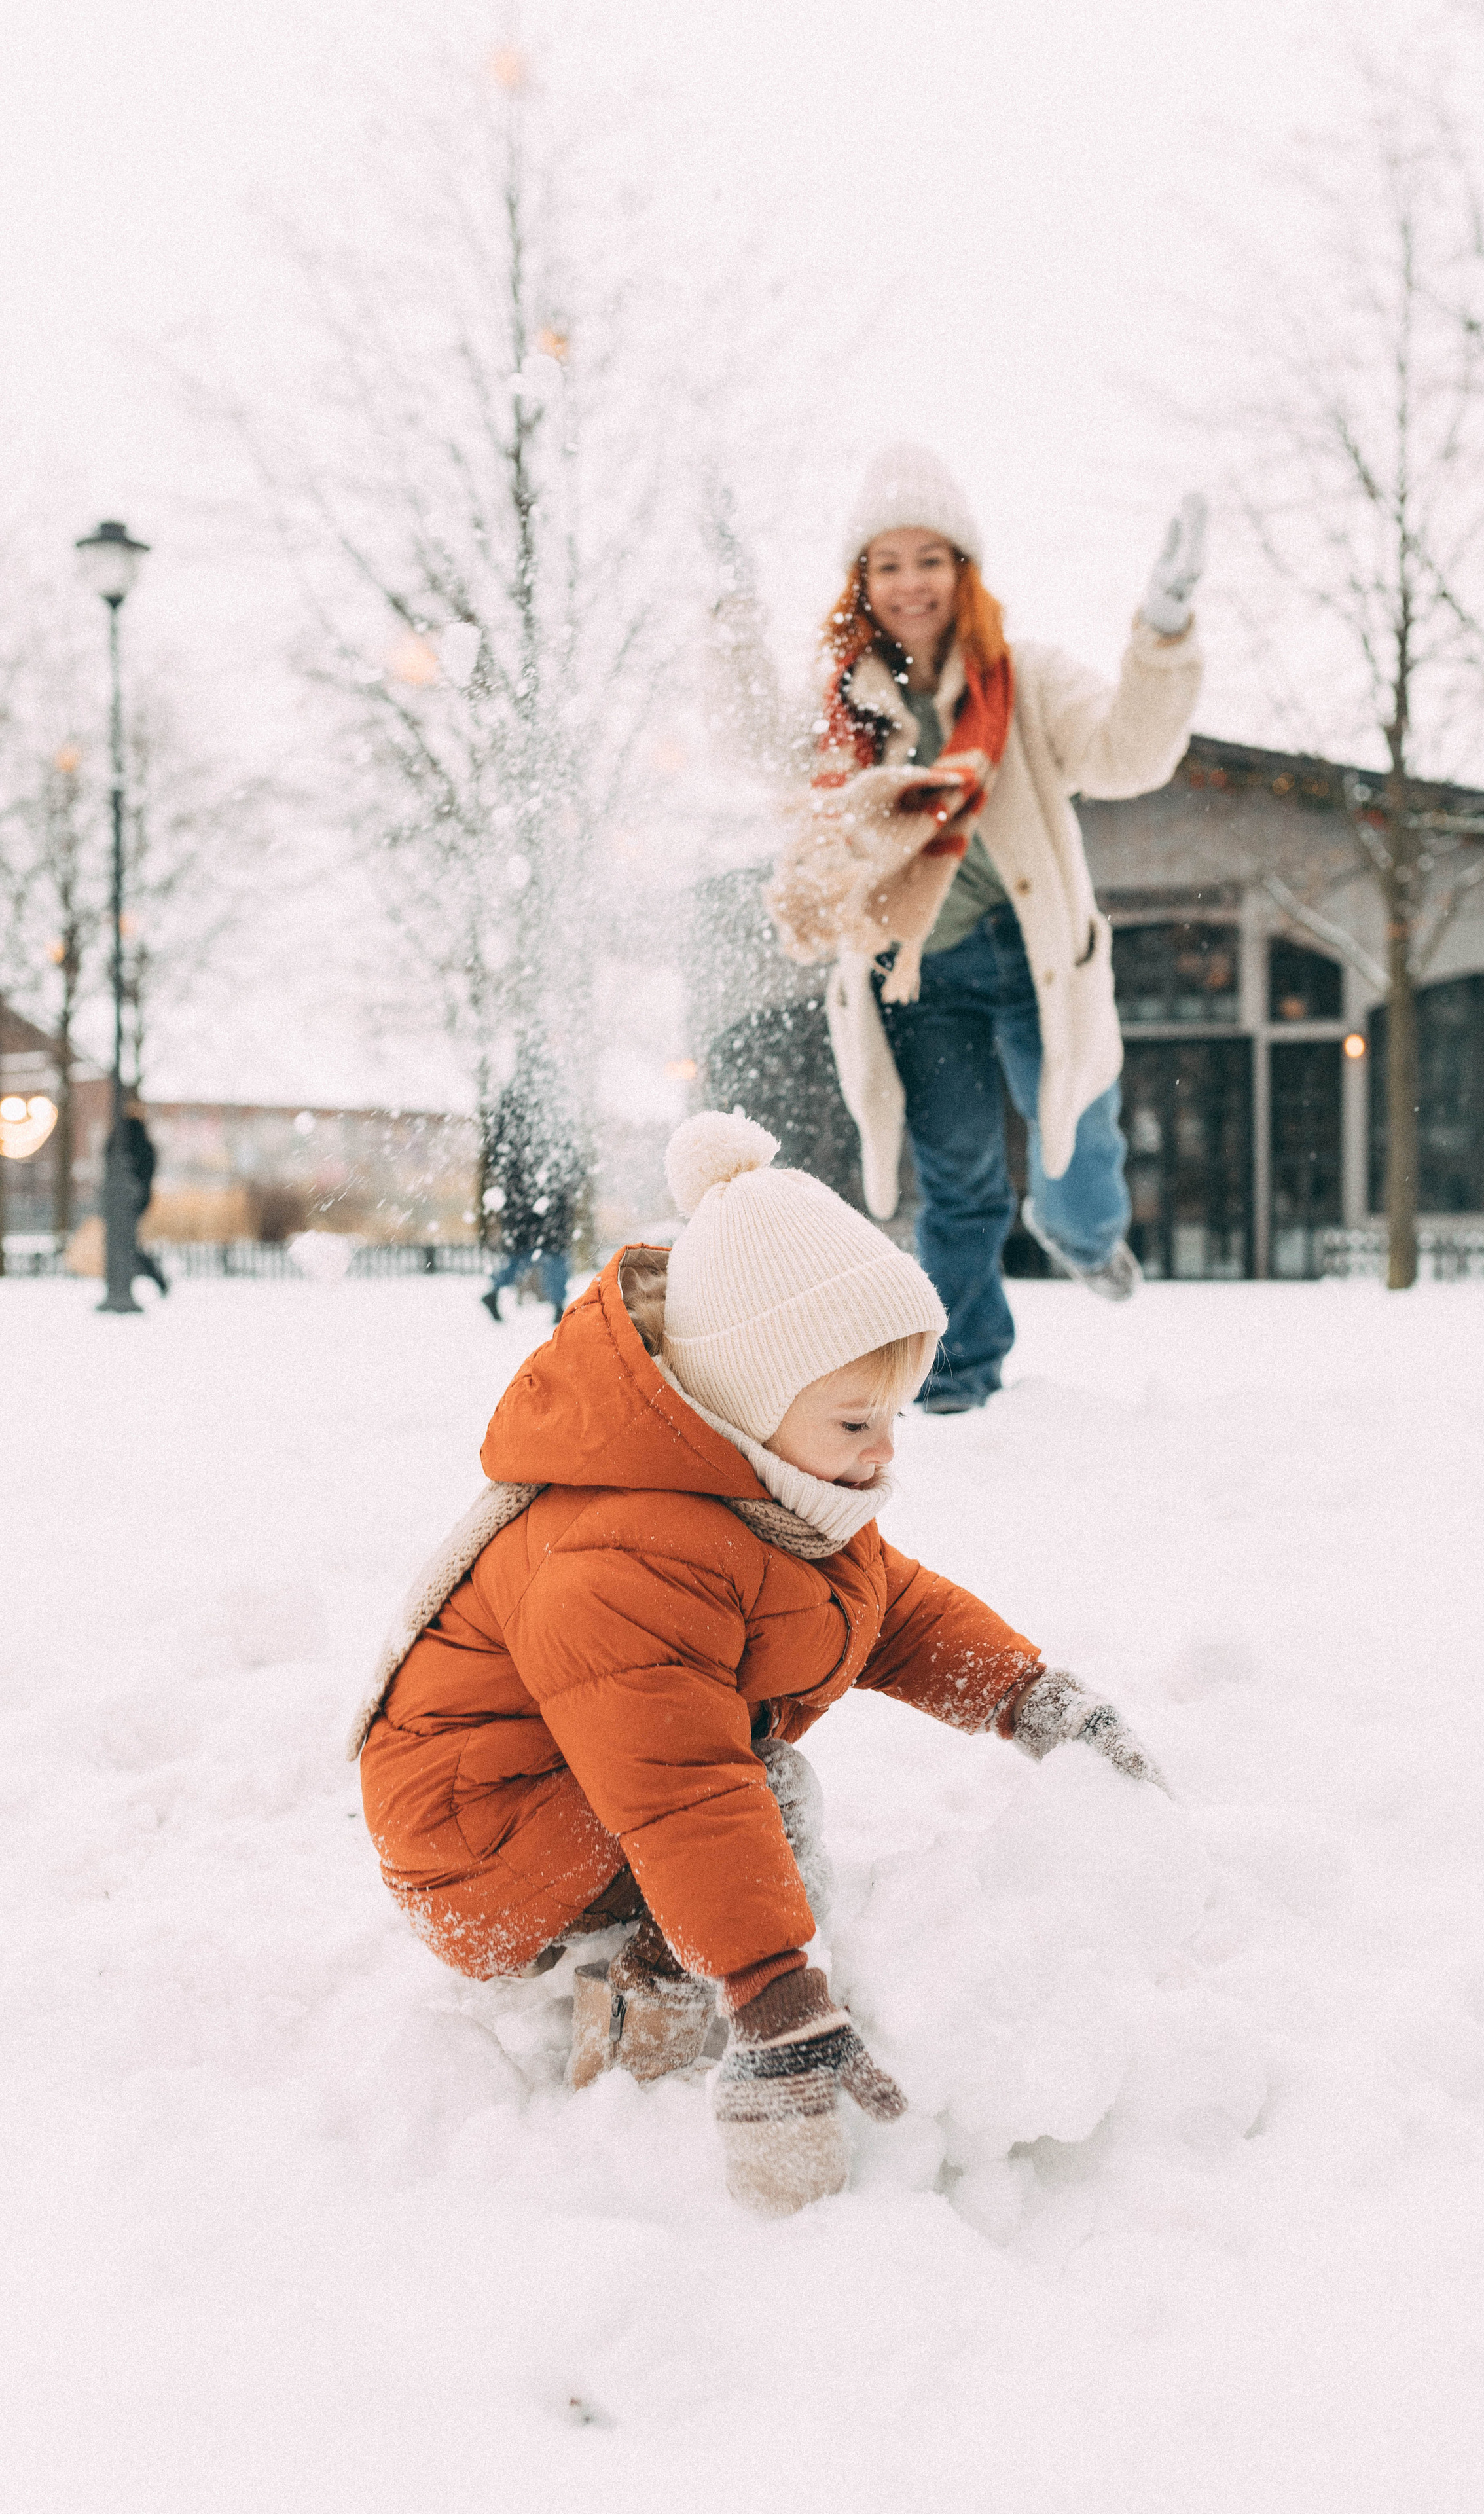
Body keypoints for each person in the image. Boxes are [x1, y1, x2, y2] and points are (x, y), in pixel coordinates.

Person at [352, 1110, 1165, 2215]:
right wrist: (777, 1995)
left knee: (747, 1790)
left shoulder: (764, 1488)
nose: (886, 1450)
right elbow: (682, 1787)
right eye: (855, 1423)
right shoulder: (624, 1551)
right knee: (760, 1793)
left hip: (564, 1791)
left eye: (894, 1414)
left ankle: (666, 1965)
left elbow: (891, 1612)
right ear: (745, 1401)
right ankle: (658, 2043)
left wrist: (1032, 1698)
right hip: (479, 1844)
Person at [761, 445, 1204, 1411]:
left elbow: (1126, 754)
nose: (910, 583)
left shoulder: (1025, 680)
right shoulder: (843, 709)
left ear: (962, 570)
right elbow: (744, 745)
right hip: (918, 972)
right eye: (887, 563)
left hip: (1035, 957)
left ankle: (1084, 1237)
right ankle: (958, 1382)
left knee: (1079, 1150)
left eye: (930, 559)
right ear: (862, 580)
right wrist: (726, 615)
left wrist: (1164, 633)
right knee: (957, 1178)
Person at [479, 1066, 570, 1323]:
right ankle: (558, 1306)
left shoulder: (513, 1123)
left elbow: (502, 1157)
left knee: (525, 1257)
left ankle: (497, 1292)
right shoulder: (540, 1122)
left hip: (524, 1205)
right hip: (537, 1204)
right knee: (551, 1256)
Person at [105, 1101, 168, 1294]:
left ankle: (142, 1279)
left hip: (126, 1200)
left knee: (125, 1245)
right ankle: (145, 1277)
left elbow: (110, 1161)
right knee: (127, 1244)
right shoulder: (144, 1146)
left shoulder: (123, 1144)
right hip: (138, 1199)